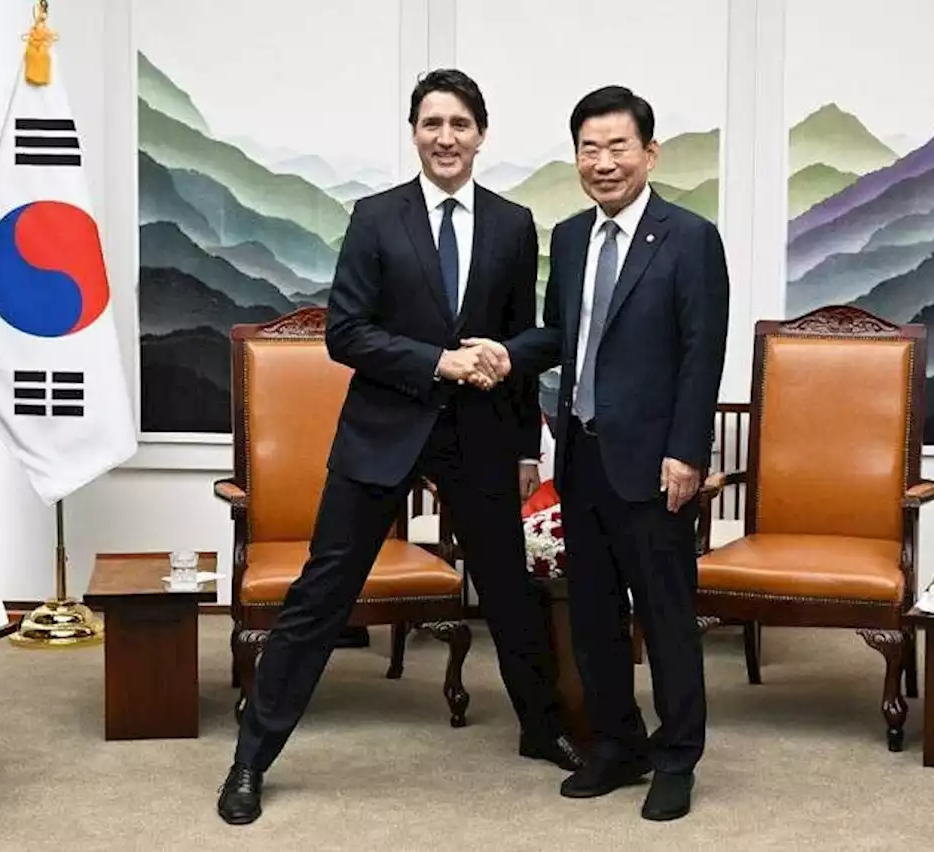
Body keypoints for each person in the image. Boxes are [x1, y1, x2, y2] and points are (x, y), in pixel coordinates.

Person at [216, 68, 584, 826]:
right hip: (384, 431)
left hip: (479, 437)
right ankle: (250, 758)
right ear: (414, 133)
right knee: (321, 595)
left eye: (458, 124)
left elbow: (522, 339)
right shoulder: (376, 217)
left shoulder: (514, 225)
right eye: (430, 124)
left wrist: (522, 448)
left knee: (509, 596)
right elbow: (345, 333)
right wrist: (435, 362)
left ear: (481, 133)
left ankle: (542, 731)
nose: (444, 137)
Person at [473, 85, 729, 821]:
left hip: (654, 469)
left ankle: (677, 759)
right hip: (581, 461)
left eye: (619, 147)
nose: (604, 162)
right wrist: (506, 353)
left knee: (667, 618)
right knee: (592, 618)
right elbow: (560, 337)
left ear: (650, 153)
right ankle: (619, 746)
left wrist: (687, 453)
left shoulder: (689, 238)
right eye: (590, 148)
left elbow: (698, 353)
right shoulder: (575, 236)